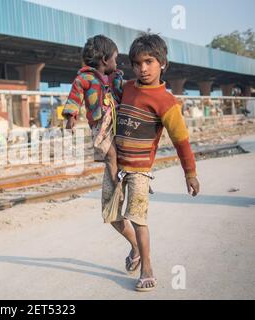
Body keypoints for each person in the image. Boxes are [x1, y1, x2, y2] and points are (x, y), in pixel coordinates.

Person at [106, 33, 200, 292]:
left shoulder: (167, 102)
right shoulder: (126, 89)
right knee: (112, 216)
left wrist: (190, 173)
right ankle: (135, 246)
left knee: (138, 219)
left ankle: (146, 268)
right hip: (115, 165)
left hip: (139, 171)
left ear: (162, 63)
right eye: (137, 63)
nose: (142, 68)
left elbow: (181, 141)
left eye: (149, 61)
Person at [62, 35, 123, 189]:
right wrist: (71, 115)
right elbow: (75, 96)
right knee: (110, 154)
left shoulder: (114, 77)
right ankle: (117, 185)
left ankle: (125, 176)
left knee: (121, 151)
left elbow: (124, 93)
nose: (116, 63)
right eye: (115, 59)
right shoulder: (85, 78)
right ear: (104, 59)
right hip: (100, 123)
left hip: (117, 120)